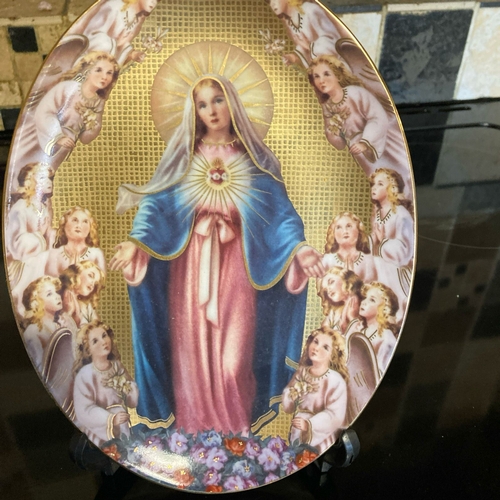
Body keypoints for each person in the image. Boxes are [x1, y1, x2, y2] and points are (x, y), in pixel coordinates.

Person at [110, 74, 324, 435]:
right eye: (203, 104)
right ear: (194, 111)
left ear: (232, 102)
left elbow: (280, 214)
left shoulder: (253, 160)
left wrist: (300, 249)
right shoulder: (185, 158)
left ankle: (237, 431)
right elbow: (157, 203)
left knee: (233, 361)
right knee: (191, 356)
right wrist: (137, 241)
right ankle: (194, 434)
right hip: (191, 267)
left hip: (237, 265)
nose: (211, 110)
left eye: (218, 100)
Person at [308, 55, 412, 197]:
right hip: (359, 154)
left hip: (377, 144)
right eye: (316, 76)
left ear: (337, 76)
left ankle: (401, 199)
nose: (321, 80)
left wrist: (365, 142)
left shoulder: (355, 93)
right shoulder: (327, 106)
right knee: (376, 183)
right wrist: (334, 133)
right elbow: (339, 144)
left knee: (393, 178)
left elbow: (378, 117)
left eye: (326, 74)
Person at [14, 52, 119, 177]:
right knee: (29, 174)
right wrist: (58, 137)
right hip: (44, 138)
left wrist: (91, 126)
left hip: (66, 149)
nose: (104, 77)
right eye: (99, 70)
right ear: (88, 70)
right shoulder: (68, 88)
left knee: (48, 177)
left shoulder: (99, 102)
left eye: (109, 73)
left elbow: (85, 138)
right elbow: (44, 112)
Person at [282, 327, 347, 453]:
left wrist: (309, 424)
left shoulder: (335, 381)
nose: (316, 348)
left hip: (320, 437)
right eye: (315, 342)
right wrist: (291, 396)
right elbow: (288, 402)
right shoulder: (302, 372)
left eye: (325, 347)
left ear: (333, 355)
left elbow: (335, 415)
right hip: (297, 431)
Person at [73, 320, 139, 445]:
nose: (103, 342)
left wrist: (129, 389)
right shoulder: (85, 375)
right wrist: (111, 419)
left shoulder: (117, 366)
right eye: (95, 341)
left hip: (123, 428)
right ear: (88, 350)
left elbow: (132, 401)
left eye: (104, 335)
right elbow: (84, 410)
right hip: (100, 433)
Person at [6, 163, 56, 313]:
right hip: (21, 263)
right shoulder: (20, 208)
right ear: (29, 181)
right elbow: (16, 245)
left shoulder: (44, 208)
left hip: (41, 257)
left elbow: (48, 236)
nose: (48, 182)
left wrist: (51, 236)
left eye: (49, 178)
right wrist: (39, 236)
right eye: (42, 178)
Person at [70, 0, 158, 66]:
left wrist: (132, 54)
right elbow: (90, 36)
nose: (154, 2)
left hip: (102, 68)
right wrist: (113, 44)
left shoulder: (137, 20)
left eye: (158, 0)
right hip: (83, 61)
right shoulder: (114, 7)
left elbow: (121, 47)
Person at [266, 0, 349, 68]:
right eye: (269, 1)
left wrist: (310, 46)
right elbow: (303, 48)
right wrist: (293, 57)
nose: (272, 4)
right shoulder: (290, 22)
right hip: (321, 70)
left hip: (338, 68)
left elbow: (334, 41)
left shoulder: (311, 10)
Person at [348, 282, 398, 375]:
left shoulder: (385, 335)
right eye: (365, 298)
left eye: (372, 300)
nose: (364, 302)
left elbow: (384, 371)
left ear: (383, 309)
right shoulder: (360, 330)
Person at [46, 206, 106, 278]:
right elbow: (50, 281)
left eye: (85, 222)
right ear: (64, 224)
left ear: (90, 228)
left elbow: (101, 281)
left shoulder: (96, 254)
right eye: (75, 220)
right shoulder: (54, 254)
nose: (79, 225)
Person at [21, 276, 65, 371]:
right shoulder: (32, 331)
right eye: (49, 294)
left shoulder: (58, 326)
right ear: (36, 303)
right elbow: (40, 369)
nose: (57, 296)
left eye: (56, 292)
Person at [322, 211, 377, 283]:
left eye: (349, 226)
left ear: (358, 230)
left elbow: (372, 287)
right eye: (339, 227)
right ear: (333, 233)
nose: (345, 231)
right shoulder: (327, 260)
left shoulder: (368, 260)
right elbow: (322, 287)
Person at [317, 266, 362, 335]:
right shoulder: (333, 313)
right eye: (326, 290)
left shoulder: (358, 302)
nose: (329, 290)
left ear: (344, 279)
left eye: (331, 282)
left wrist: (351, 317)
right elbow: (323, 333)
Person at [60, 261, 105, 328]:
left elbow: (98, 330)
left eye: (95, 283)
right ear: (78, 272)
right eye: (90, 276)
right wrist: (68, 313)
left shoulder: (88, 308)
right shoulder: (57, 296)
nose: (92, 283)